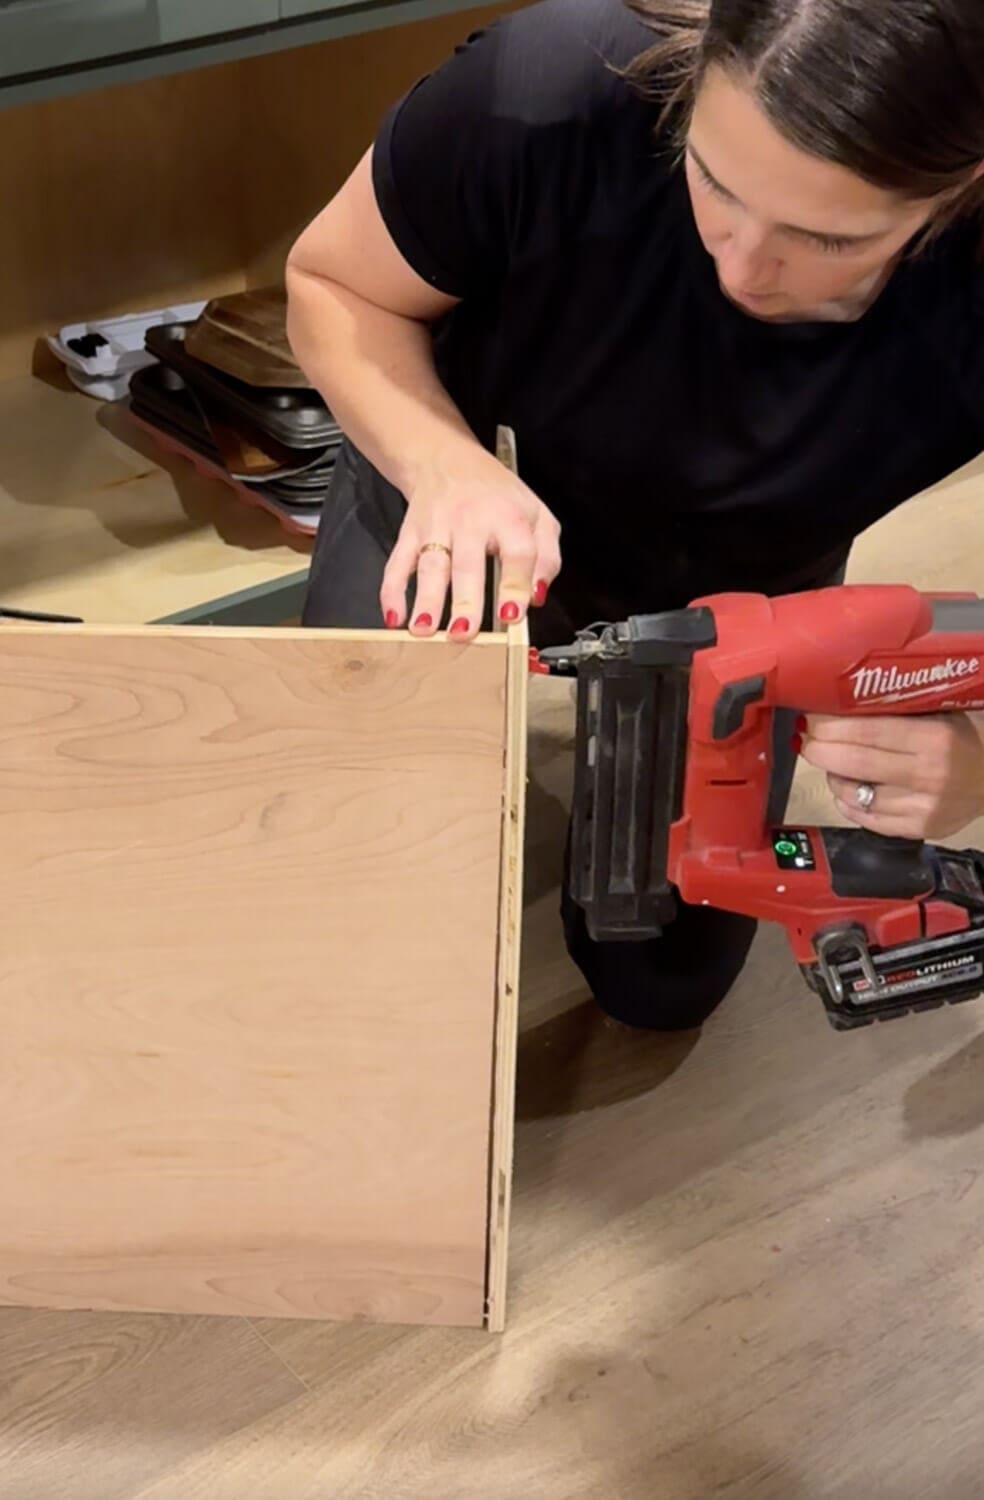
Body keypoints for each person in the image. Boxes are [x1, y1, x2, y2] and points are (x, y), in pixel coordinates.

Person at [285, 0, 984, 1030]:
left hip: (741, 603)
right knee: (353, 901)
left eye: (827, 236)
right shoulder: (544, 93)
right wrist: (443, 466)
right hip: (458, 512)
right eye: (712, 180)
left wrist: (972, 751)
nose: (740, 265)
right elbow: (334, 288)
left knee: (661, 984)